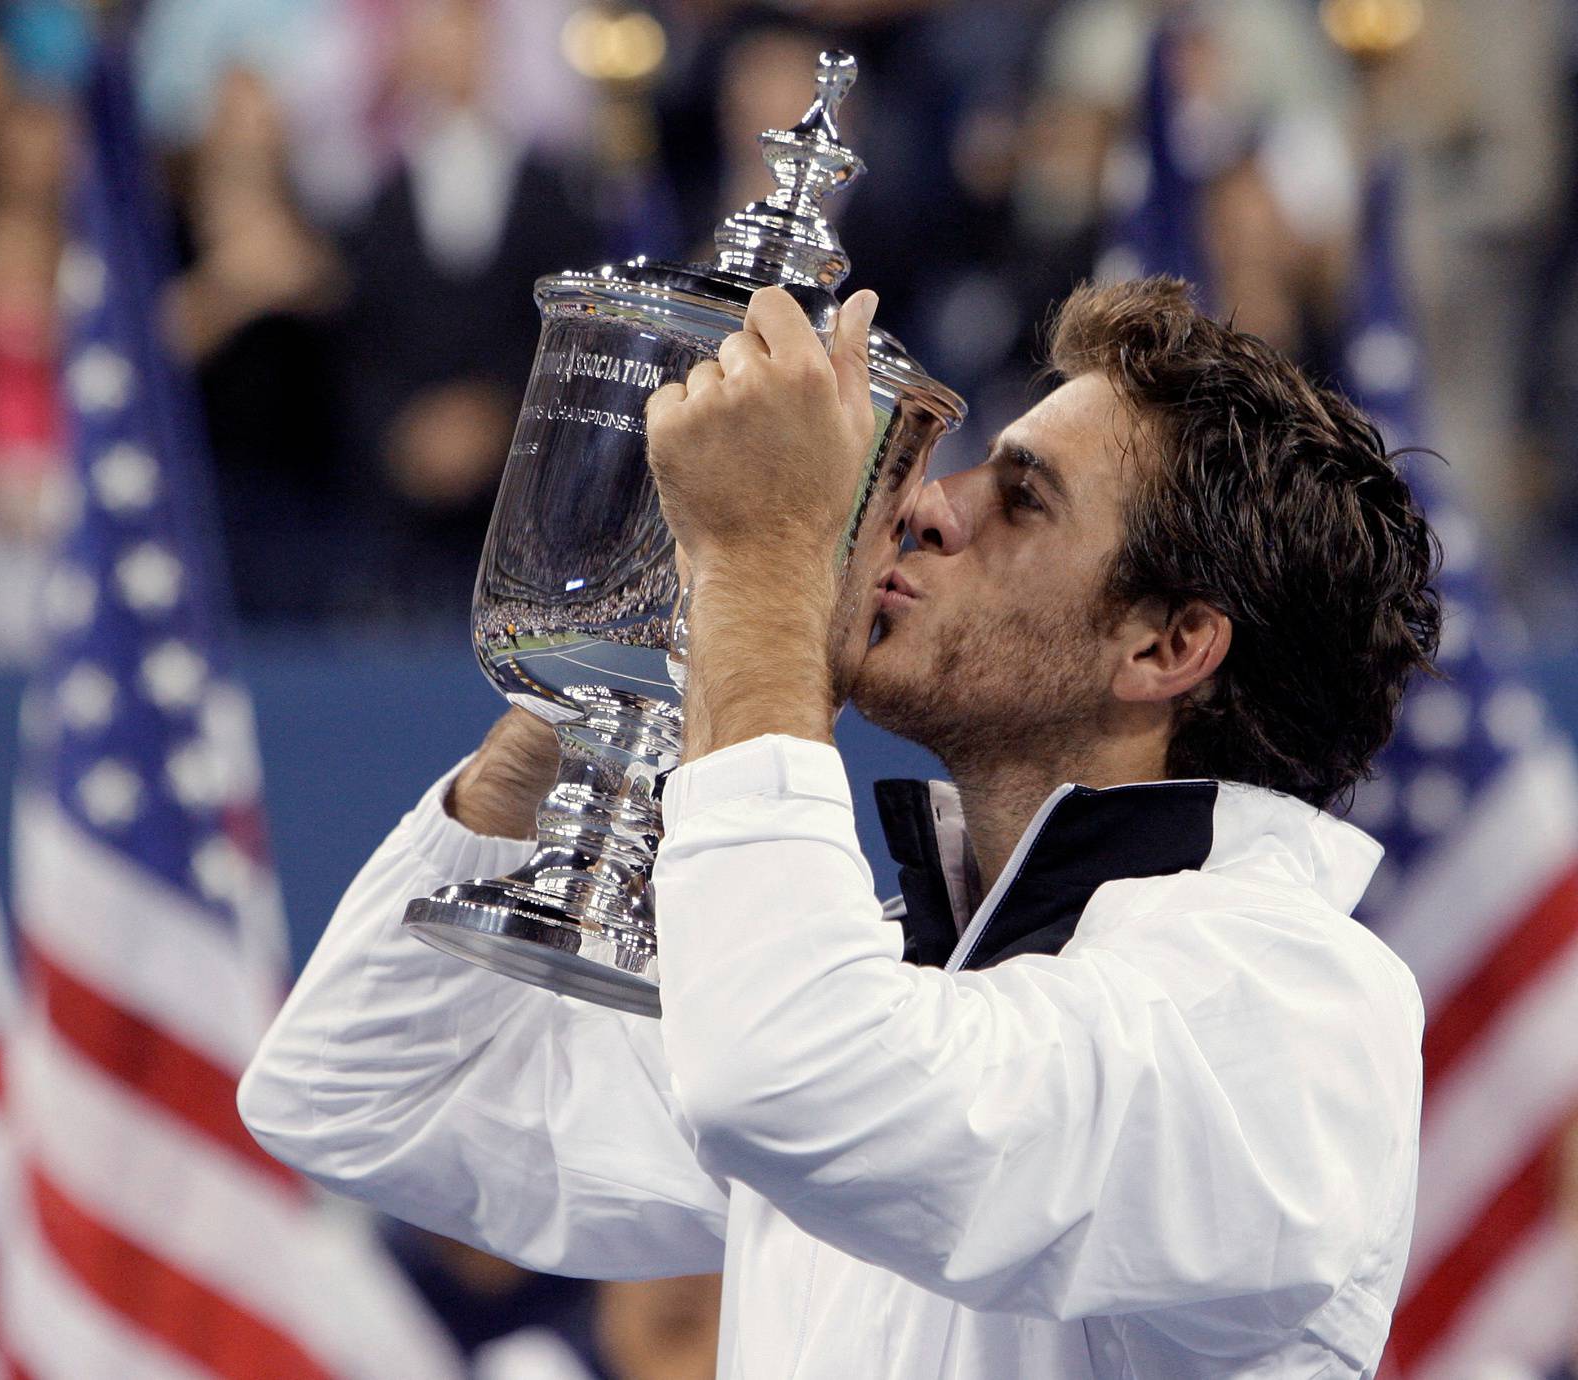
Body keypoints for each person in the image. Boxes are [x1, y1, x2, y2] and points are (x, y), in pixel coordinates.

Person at [240, 276, 1440, 1378]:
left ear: (1167, 646)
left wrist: (762, 566)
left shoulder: (1290, 1008)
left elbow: (788, 1074)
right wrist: (562, 739)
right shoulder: (908, 978)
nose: (926, 505)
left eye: (1022, 497)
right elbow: (354, 1095)